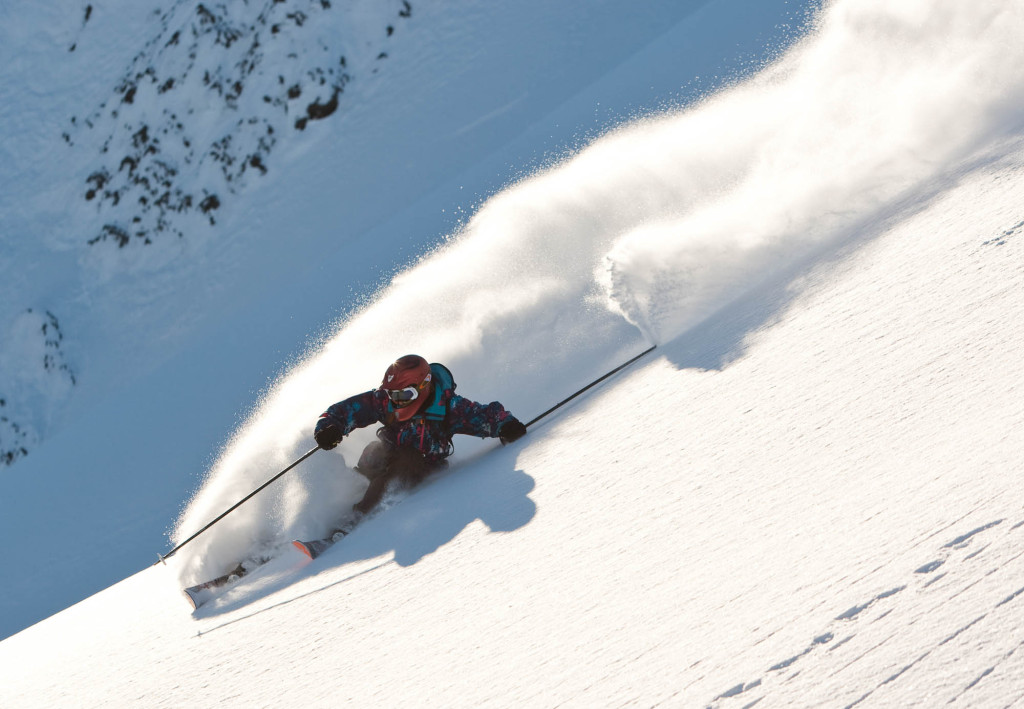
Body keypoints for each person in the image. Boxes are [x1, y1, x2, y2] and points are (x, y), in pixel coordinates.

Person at [314, 354, 527, 515]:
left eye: (405, 395)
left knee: (402, 462)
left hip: (419, 467)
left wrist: (505, 425)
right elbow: (343, 411)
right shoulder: (385, 402)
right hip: (386, 458)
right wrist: (329, 428)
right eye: (392, 394)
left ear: (424, 386)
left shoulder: (448, 408)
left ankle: (363, 514)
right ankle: (344, 504)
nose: (396, 401)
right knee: (373, 452)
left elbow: (484, 416)